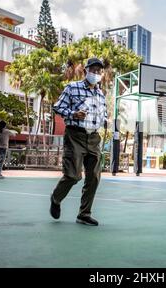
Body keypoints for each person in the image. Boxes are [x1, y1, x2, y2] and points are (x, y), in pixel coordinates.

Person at [50, 57, 108, 226]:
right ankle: (56, 198)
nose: (96, 73)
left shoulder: (100, 94)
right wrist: (73, 114)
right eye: (93, 70)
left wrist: (104, 119)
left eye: (99, 71)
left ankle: (84, 214)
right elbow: (57, 107)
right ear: (85, 71)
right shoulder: (72, 87)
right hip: (75, 135)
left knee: (94, 177)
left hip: (94, 138)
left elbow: (103, 113)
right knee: (73, 175)